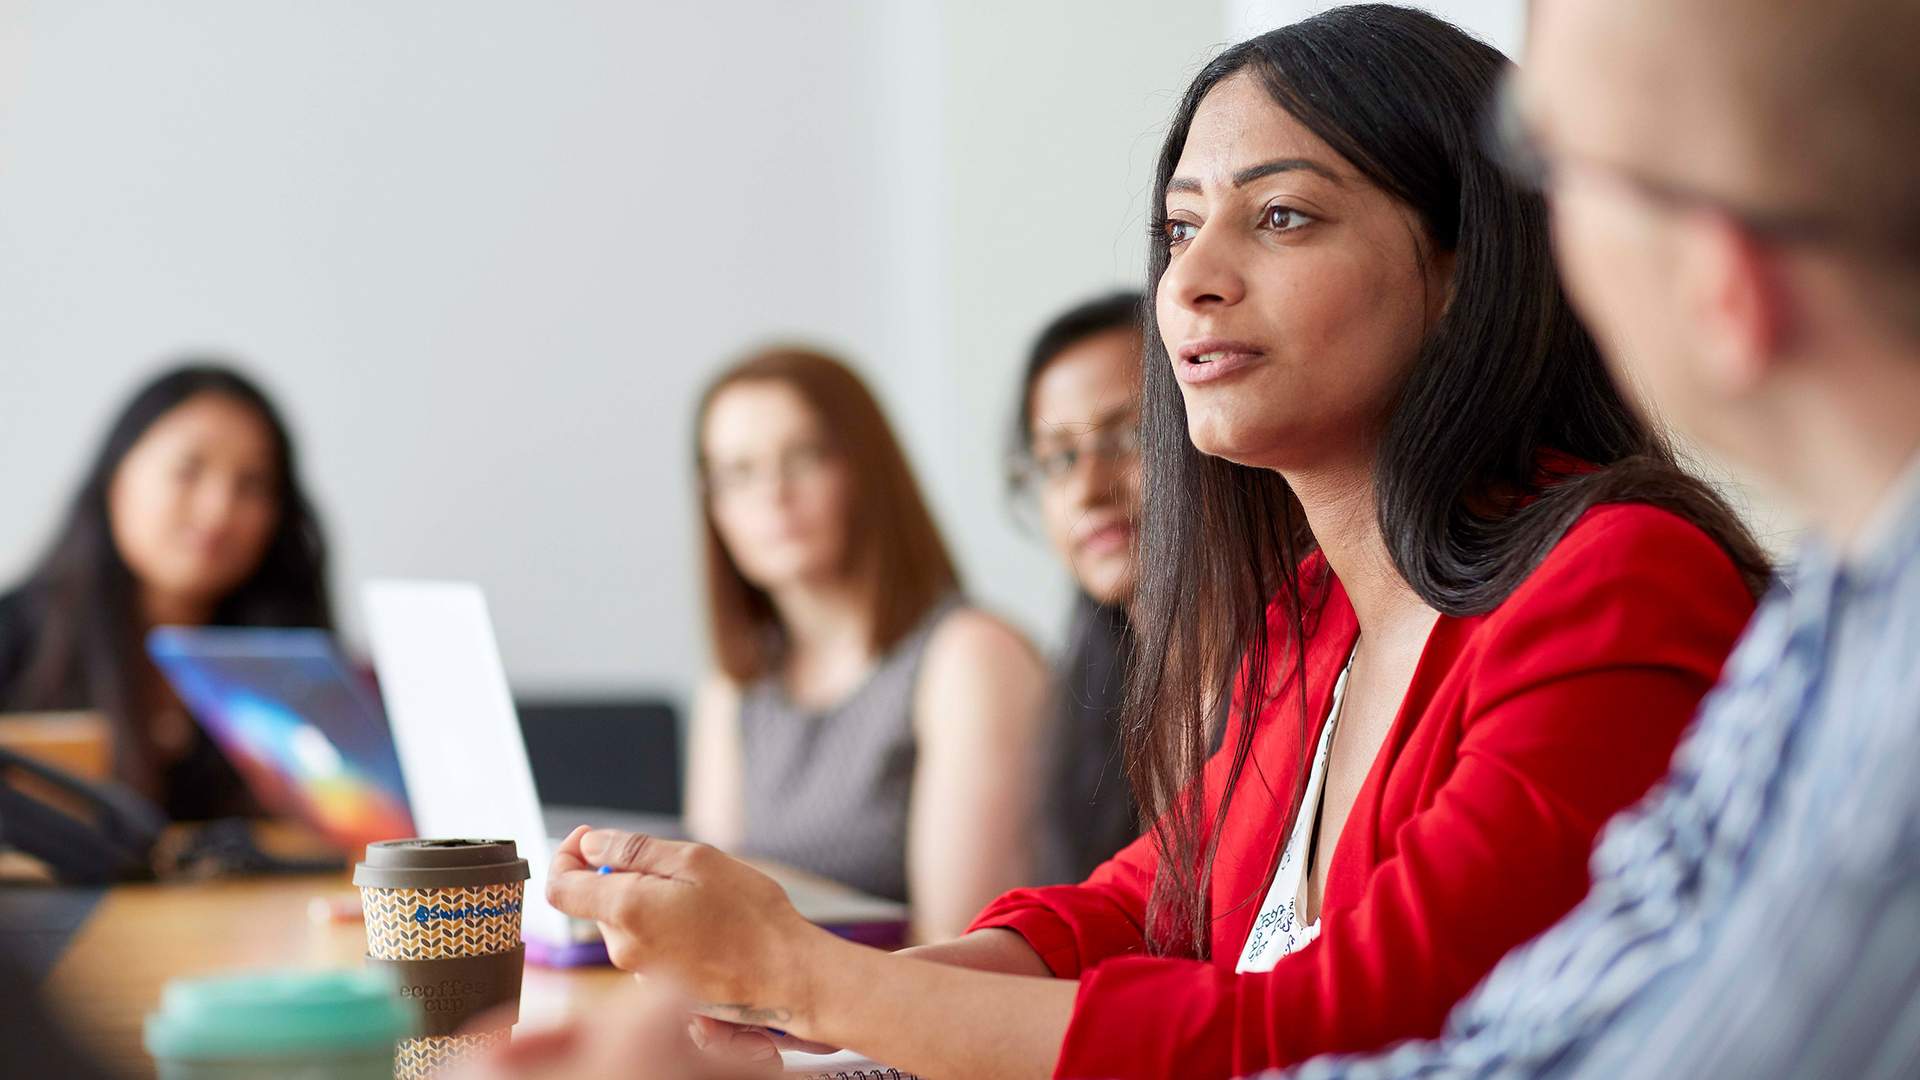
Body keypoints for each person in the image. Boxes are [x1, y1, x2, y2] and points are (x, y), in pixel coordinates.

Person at [542, 8, 1770, 1078]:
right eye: (1179, 230)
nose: (1191, 283)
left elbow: (1353, 1037)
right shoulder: (1311, 613)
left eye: (1281, 217)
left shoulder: (1617, 575)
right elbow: (1139, 905)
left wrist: (821, 984)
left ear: (1465, 270)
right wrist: (808, 1010)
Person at [1279, 0, 1920, 1076]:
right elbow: (1553, 1018)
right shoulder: (1836, 610)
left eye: (1548, 161)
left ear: (1720, 280)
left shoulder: (1866, 669)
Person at [681, 346, 1048, 942]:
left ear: (863, 470)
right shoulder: (734, 684)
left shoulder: (970, 657)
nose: (772, 494)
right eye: (737, 474)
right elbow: (711, 920)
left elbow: (953, 954)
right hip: (773, 1025)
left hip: (902, 1027)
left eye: (803, 457)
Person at [0, 363, 333, 821]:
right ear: (117, 480)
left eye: (252, 484)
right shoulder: (15, 639)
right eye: (187, 471)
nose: (218, 511)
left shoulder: (296, 665)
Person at [1009, 291, 1150, 884]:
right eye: (1060, 459)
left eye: (1131, 437)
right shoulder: (1082, 700)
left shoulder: (1300, 677)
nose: (1089, 489)